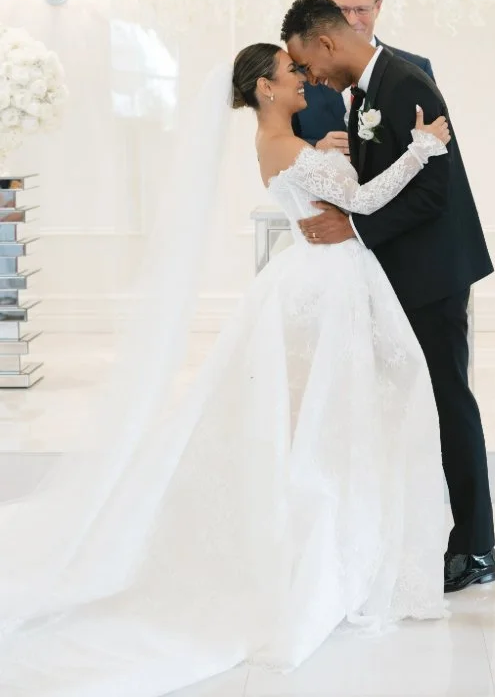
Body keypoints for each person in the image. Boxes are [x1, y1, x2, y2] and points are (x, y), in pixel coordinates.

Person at [0, 39, 452, 695]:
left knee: (321, 414)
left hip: (306, 278)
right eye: (290, 72)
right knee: (344, 412)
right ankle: (331, 558)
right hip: (330, 281)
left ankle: (326, 544)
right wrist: (421, 147)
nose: (302, 78)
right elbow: (370, 200)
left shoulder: (276, 147)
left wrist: (326, 154)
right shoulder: (296, 149)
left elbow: (319, 185)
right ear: (264, 89)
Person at [283, 0, 495, 593]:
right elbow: (391, 173)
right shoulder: (370, 91)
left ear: (325, 43)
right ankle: (431, 531)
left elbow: (435, 191)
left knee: (451, 403)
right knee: (418, 406)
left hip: (433, 274)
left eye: (307, 64)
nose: (311, 78)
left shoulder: (405, 82)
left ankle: (477, 547)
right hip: (405, 271)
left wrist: (354, 227)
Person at [293, 0, 434, 152]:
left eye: (361, 10)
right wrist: (315, 148)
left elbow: (437, 150)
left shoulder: (417, 69)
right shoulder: (298, 72)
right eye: (342, 10)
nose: (351, 20)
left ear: (378, 7)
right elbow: (271, 149)